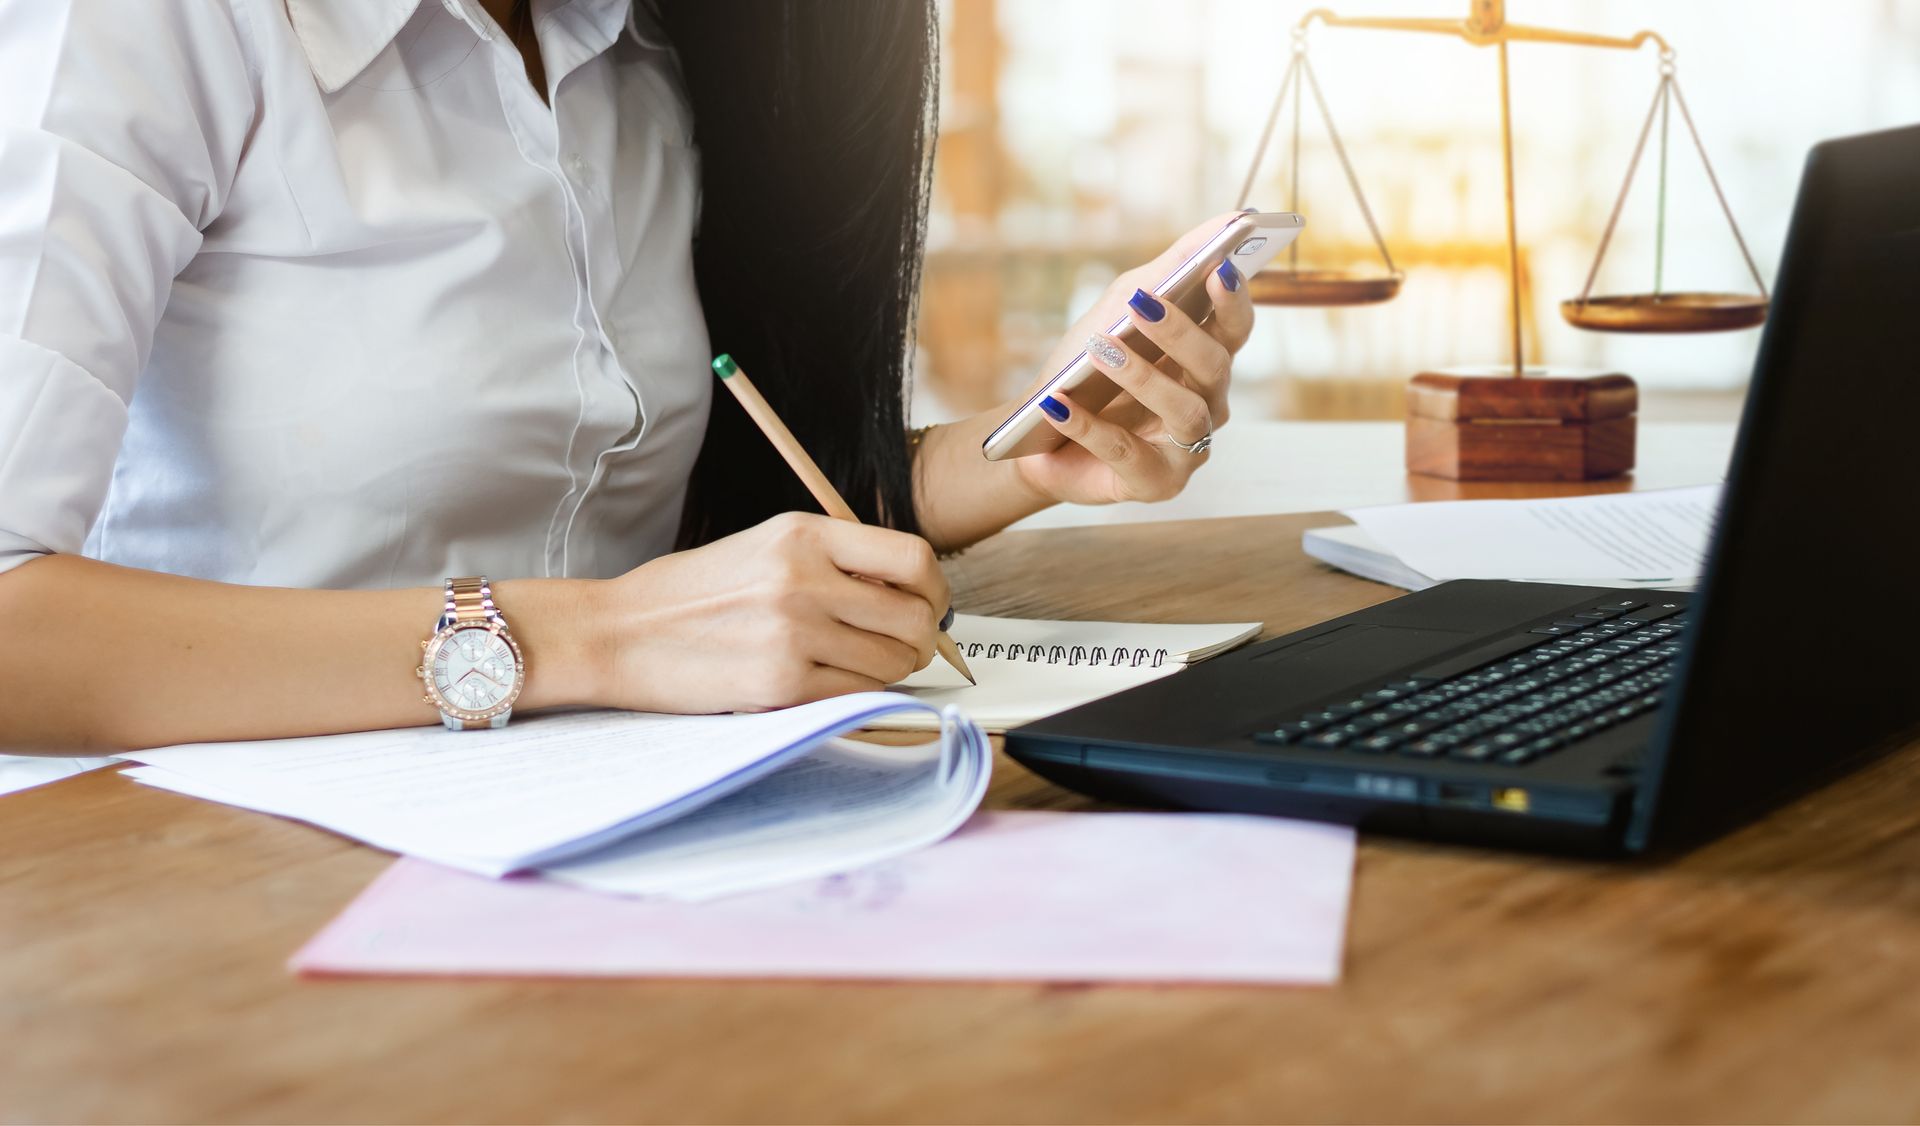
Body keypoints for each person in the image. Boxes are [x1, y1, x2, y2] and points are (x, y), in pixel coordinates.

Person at [0, 0, 1253, 751]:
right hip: (196, 873)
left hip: (602, 834)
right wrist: (597, 639)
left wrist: (1025, 451)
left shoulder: (641, 47)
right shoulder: (133, 33)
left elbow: (693, 525)